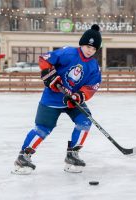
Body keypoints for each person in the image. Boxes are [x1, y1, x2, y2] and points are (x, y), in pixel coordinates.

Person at [13, 24, 102, 174]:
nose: (89, 50)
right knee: (43, 128)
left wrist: (79, 96)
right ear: (82, 44)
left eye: (93, 49)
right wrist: (50, 75)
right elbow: (45, 59)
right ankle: (24, 157)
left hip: (72, 101)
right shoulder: (68, 53)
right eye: (87, 46)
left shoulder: (94, 66)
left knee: (85, 120)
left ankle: (72, 155)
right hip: (52, 99)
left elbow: (92, 86)